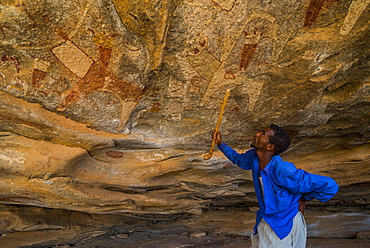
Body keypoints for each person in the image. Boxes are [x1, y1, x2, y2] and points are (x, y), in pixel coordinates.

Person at [212, 124, 339, 248]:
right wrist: (220, 144)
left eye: (262, 134)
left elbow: (330, 186)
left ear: (270, 146)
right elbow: (238, 160)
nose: (257, 134)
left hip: (285, 224)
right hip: (267, 219)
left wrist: (305, 198)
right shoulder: (254, 157)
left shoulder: (283, 170)